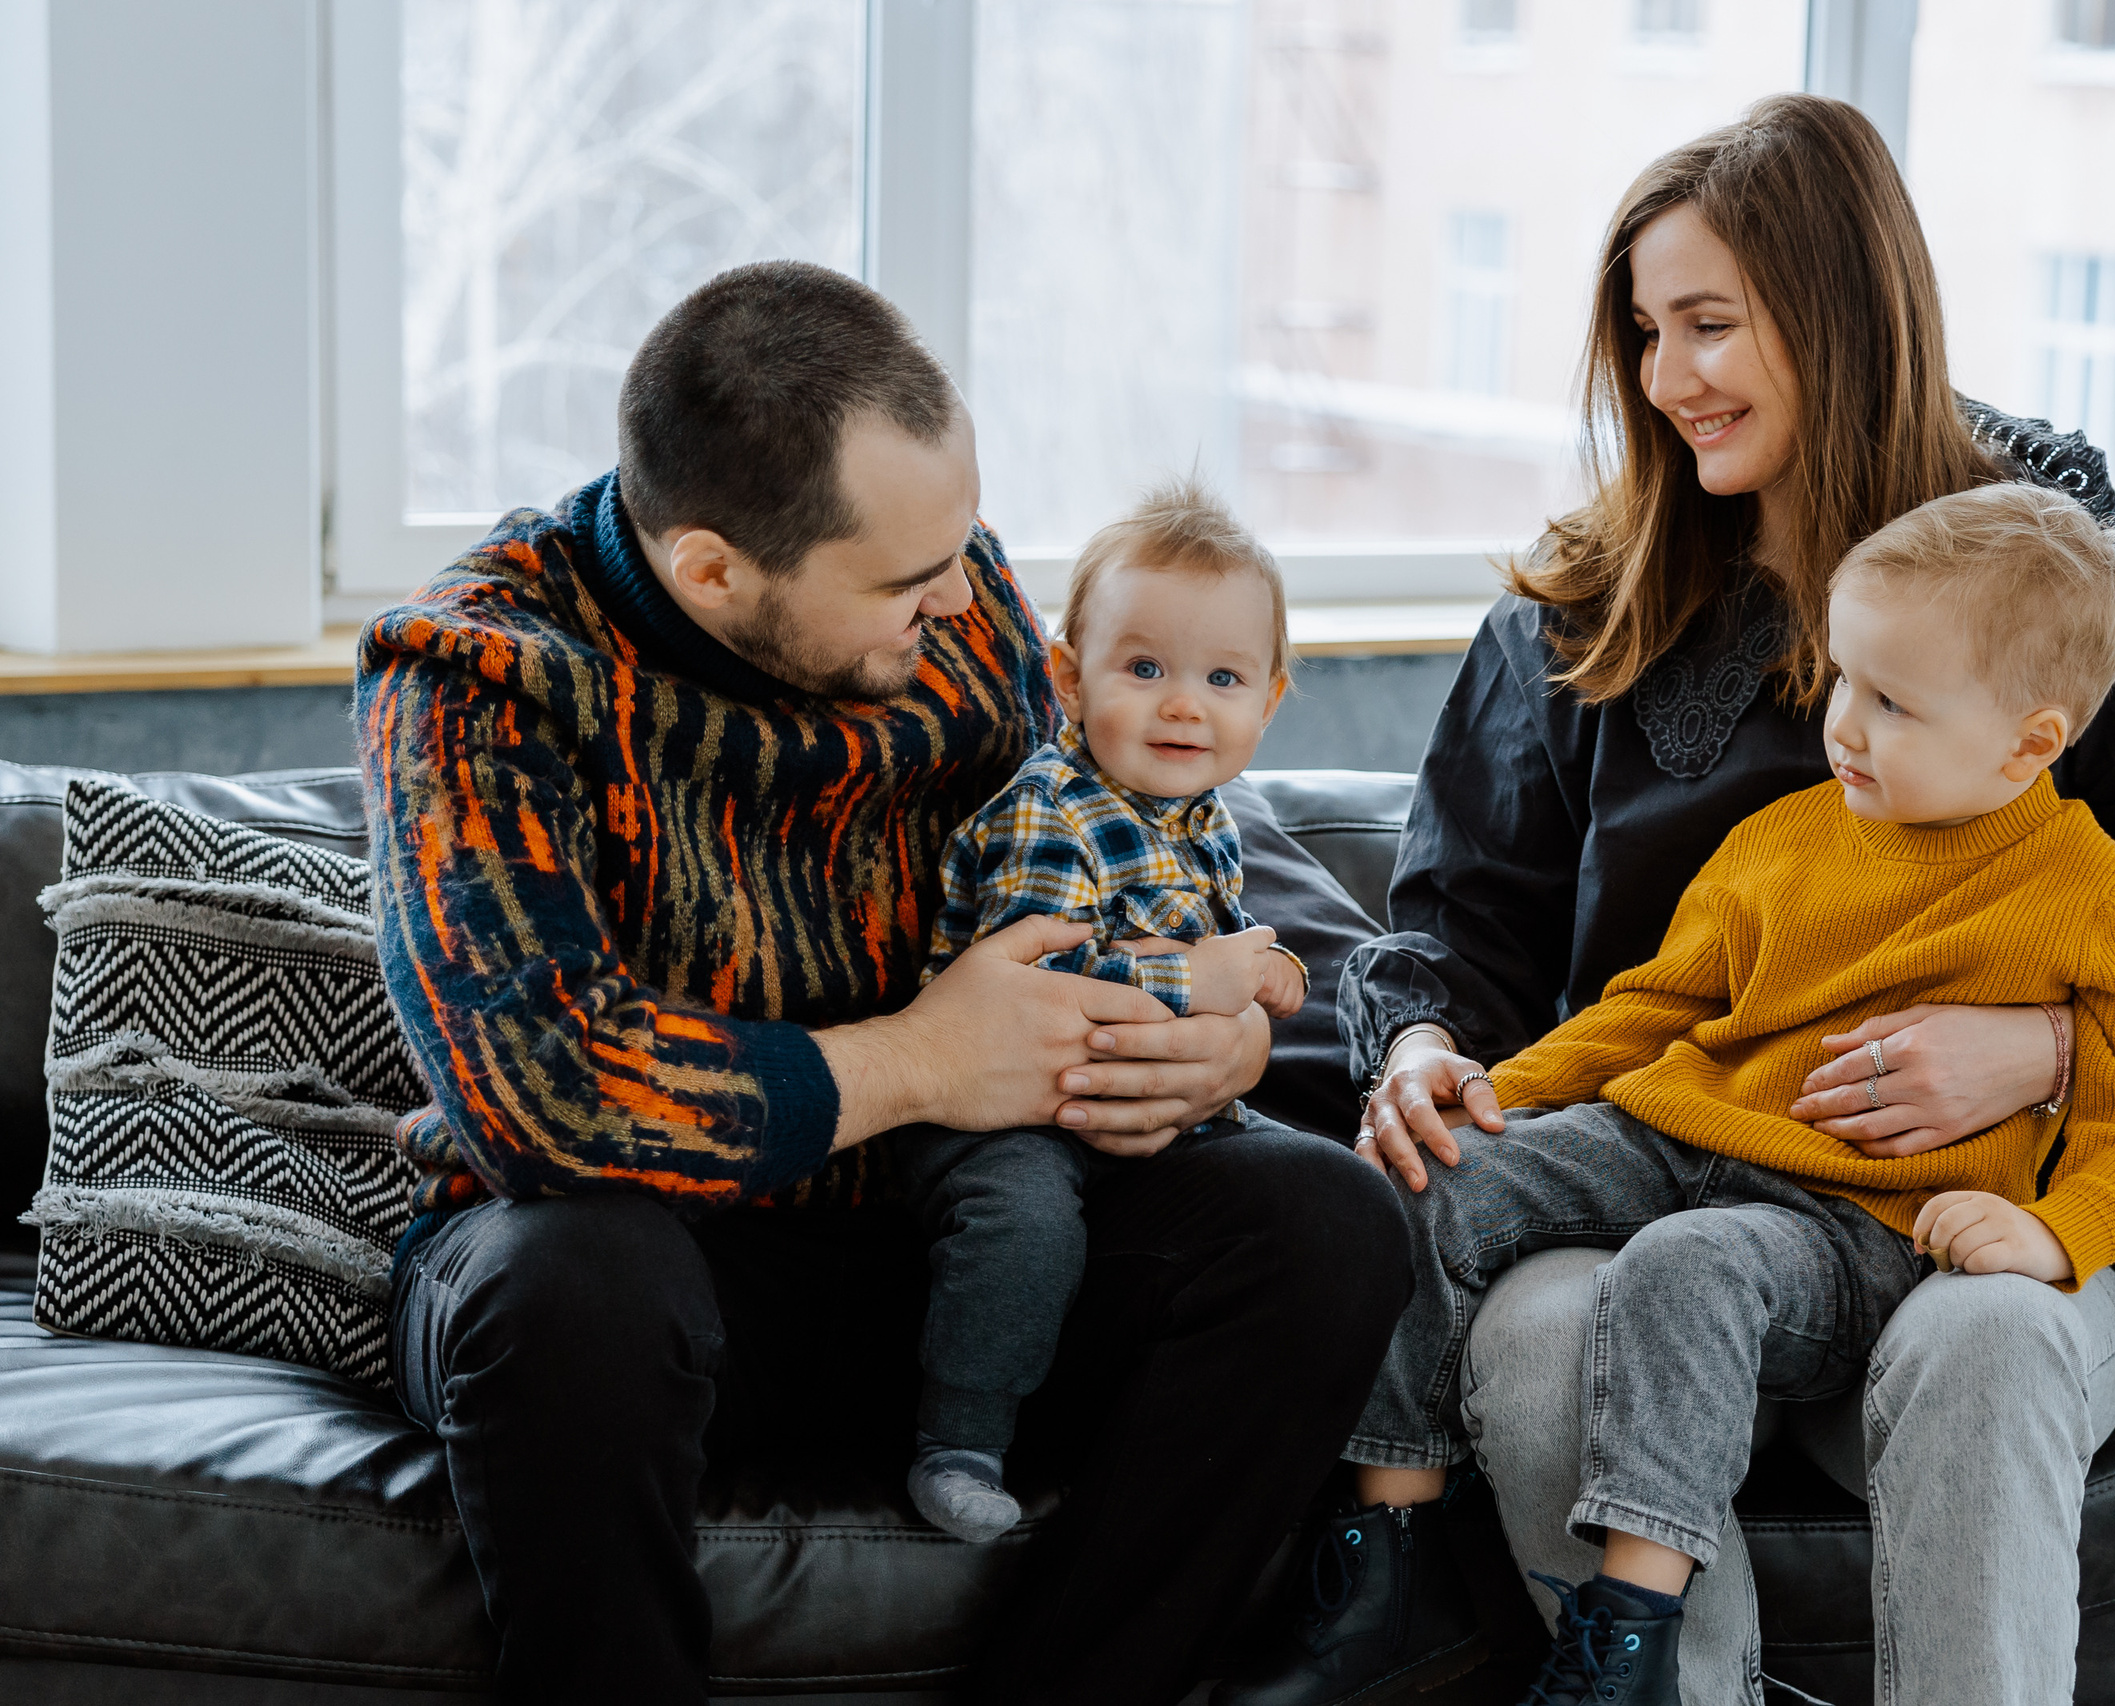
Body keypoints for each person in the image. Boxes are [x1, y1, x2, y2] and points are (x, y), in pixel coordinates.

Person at [1312, 96, 2115, 1706]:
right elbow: (1462, 928)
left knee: (1984, 1338)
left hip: (1977, 1221)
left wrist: (2044, 1053)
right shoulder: (1579, 612)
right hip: (1663, 1212)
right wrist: (1424, 1039)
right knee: (1540, 1327)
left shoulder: (2059, 581)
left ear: (1842, 312)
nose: (1666, 379)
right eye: (1646, 333)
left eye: (1711, 325)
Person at [357, 260, 1409, 1706]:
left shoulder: (957, 598)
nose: (963, 599)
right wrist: (920, 1057)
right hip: (650, 1275)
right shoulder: (482, 670)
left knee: (1326, 1225)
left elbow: (1129, 835)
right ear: (716, 568)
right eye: (907, 582)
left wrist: (1219, 1038)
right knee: (572, 1278)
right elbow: (539, 1092)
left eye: (964, 550)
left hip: (958, 1233)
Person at [1219, 481, 2115, 1706]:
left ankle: (1632, 1632)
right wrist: (1490, 1089)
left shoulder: (2088, 895)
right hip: (1673, 1131)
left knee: (1683, 1263)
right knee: (1423, 1172)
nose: (1845, 724)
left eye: (1893, 702)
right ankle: (1388, 1546)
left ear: (2030, 740)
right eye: (1843, 679)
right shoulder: (1784, 835)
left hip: (1855, 1218)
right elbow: (1655, 1010)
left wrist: (2056, 1230)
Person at [901, 480, 1310, 1541]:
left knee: (1317, 1193)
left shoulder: (1202, 815)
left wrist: (1264, 981)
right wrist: (1205, 982)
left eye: (1222, 678)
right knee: (1020, 1221)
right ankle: (960, 1439)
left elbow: (1215, 936)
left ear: (1267, 702)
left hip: (1137, 1107)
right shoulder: (1052, 802)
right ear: (1069, 678)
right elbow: (1040, 984)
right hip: (1004, 1111)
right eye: (1145, 668)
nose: (1184, 704)